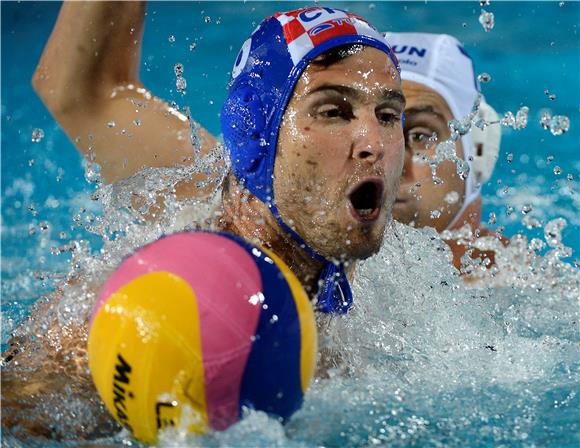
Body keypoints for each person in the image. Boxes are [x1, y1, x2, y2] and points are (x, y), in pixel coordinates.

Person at [3, 3, 405, 439]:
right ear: (258, 137)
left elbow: (85, 92)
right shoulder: (166, 303)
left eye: (387, 116)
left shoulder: (321, 215)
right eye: (333, 112)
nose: (375, 144)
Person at [385, 32, 503, 271]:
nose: (390, 162)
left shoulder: (527, 289)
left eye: (420, 136)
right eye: (382, 125)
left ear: (478, 152)